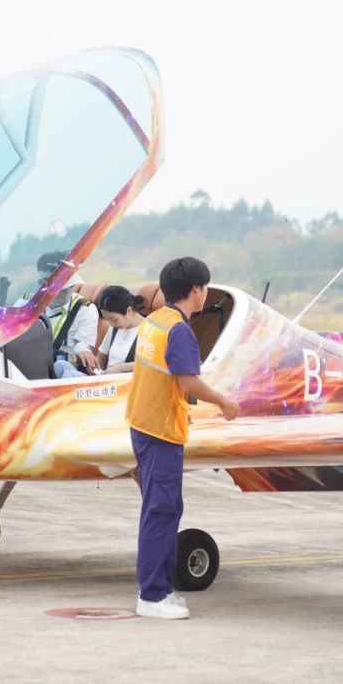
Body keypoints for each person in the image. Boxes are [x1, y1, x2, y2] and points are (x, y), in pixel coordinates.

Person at [126, 257, 239, 619]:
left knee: (164, 509)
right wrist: (223, 401)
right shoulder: (179, 331)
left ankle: (161, 590)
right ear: (196, 290)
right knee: (162, 511)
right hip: (160, 432)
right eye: (205, 287)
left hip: (141, 426)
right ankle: (153, 596)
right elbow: (187, 381)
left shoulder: (154, 323)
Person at [35, 251, 101, 378]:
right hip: (33, 363)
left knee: (61, 366)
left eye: (66, 288)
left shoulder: (85, 308)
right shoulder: (29, 303)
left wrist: (83, 349)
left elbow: (84, 344)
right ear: (41, 284)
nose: (62, 293)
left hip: (67, 369)